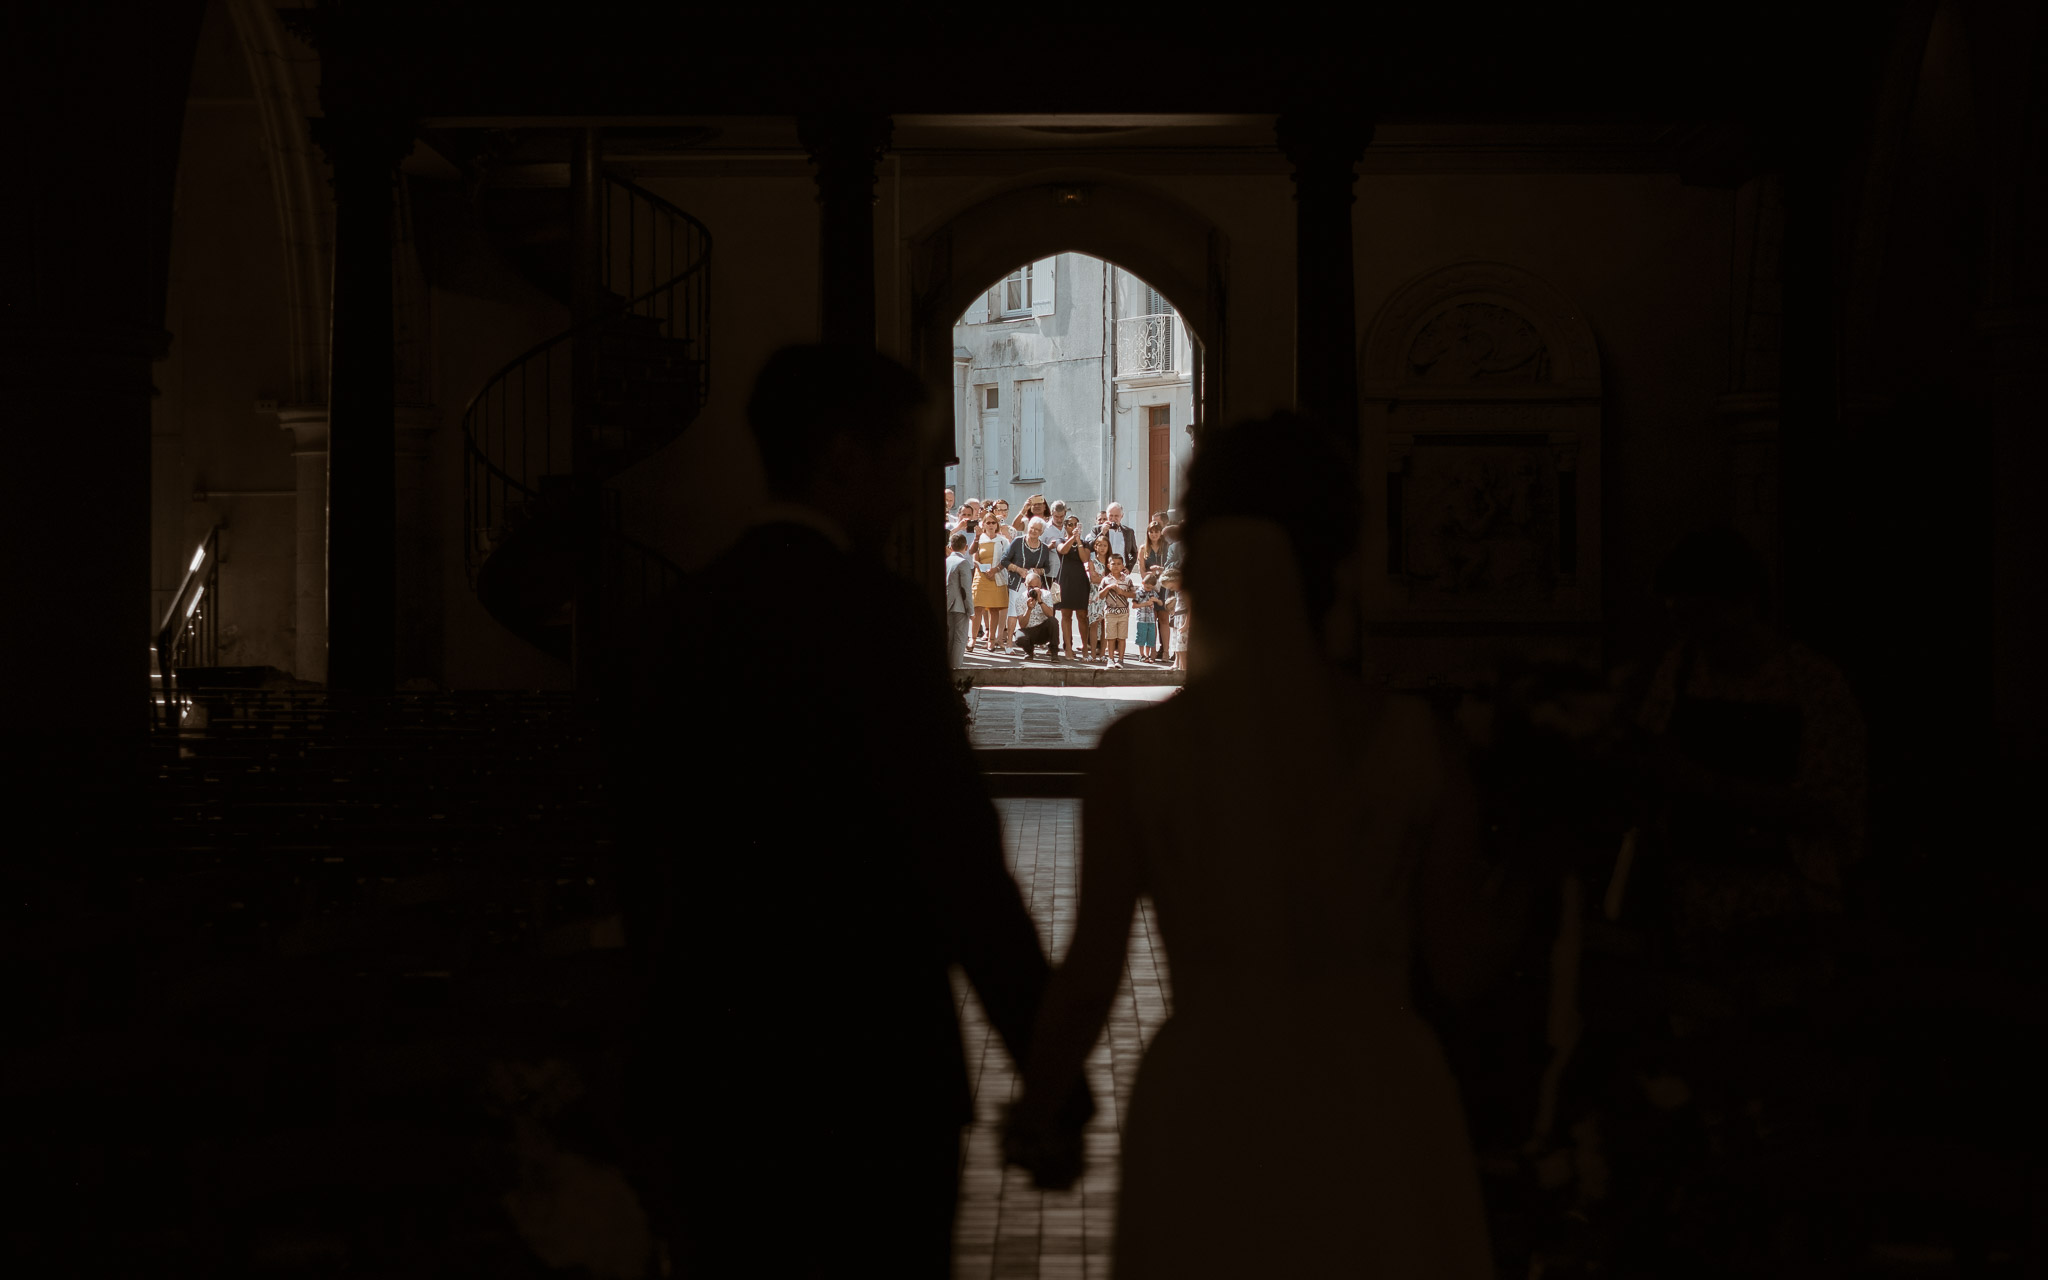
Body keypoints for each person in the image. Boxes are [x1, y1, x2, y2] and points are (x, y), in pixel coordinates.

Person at [603, 344, 1088, 1278]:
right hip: (874, 1074)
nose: (915, 491)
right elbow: (957, 861)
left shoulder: (671, 625)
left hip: (711, 1074)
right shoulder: (879, 619)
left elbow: (641, 863)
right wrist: (1048, 1071)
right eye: (905, 461)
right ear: (842, 458)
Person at [1001, 413, 1500, 1279]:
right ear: (1337, 558)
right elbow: (1461, 967)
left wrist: (1041, 1106)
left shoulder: (1137, 757)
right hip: (1379, 1091)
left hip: (1210, 1092)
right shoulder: (1419, 742)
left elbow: (1090, 975)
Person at [1628, 527, 1867, 1022]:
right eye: (1679, 618)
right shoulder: (1680, 669)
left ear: (1747, 601)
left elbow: (1829, 806)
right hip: (1690, 904)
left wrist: (1702, 783)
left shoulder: (1814, 685)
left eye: (1703, 617)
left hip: (1786, 908)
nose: (1692, 633)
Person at [1000, 517, 1060, 654]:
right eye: (1032, 528)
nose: (1034, 531)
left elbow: (1047, 568)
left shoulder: (1044, 548)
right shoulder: (1018, 542)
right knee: (1014, 612)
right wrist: (1018, 569)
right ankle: (1009, 642)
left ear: (1042, 532)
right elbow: (1004, 560)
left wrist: (1037, 571)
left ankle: (1036, 639)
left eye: (1038, 530)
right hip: (1017, 583)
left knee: (1036, 610)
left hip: (1034, 585)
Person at [1053, 512, 1091, 662]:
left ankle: (1085, 648)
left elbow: (1084, 558)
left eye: (1076, 524)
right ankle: (1068, 647)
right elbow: (1063, 550)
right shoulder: (1060, 540)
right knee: (1066, 616)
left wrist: (1078, 540)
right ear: (1065, 527)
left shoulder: (1085, 543)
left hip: (1081, 581)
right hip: (1065, 580)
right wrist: (1071, 538)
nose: (1073, 527)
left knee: (1082, 616)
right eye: (1070, 524)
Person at [972, 511, 1011, 652]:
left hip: (996, 576)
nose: (990, 525)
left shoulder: (1002, 540)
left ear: (997, 525)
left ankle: (992, 640)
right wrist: (980, 567)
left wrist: (995, 570)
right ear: (983, 524)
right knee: (978, 608)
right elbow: (974, 556)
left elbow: (1006, 559)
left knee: (994, 609)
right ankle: (973, 638)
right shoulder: (979, 539)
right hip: (981, 576)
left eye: (993, 522)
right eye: (987, 522)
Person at [1098, 553, 1136, 668]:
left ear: (1123, 566)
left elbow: (1134, 594)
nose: (1116, 566)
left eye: (1119, 564)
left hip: (1123, 612)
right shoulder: (1105, 580)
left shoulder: (1127, 580)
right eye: (1113, 564)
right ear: (1109, 565)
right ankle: (1110, 659)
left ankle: (1120, 659)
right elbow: (1100, 595)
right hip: (1110, 612)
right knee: (1110, 637)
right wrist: (1108, 588)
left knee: (1121, 637)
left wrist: (1122, 592)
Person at [944, 531, 975, 667]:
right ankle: (955, 669)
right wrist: (971, 610)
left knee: (950, 638)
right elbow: (966, 589)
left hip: (947, 603)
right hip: (960, 606)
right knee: (960, 639)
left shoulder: (946, 561)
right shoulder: (963, 563)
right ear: (966, 547)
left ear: (951, 546)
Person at [1015, 569, 1059, 660]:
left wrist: (1040, 601)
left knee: (1053, 621)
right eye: (1030, 587)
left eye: (1036, 587)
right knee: (1019, 637)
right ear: (1025, 585)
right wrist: (1029, 609)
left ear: (1040, 585)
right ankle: (1029, 652)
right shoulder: (1020, 599)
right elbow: (1022, 624)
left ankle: (1054, 652)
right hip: (1029, 630)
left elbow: (1051, 615)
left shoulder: (1046, 594)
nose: (1033, 590)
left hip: (1043, 631)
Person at [1084, 532, 1114, 662]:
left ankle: (1103, 654)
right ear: (1095, 547)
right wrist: (1105, 579)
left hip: (1107, 596)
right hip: (1094, 595)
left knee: (1105, 624)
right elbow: (1093, 579)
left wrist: (1102, 579)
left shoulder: (1111, 563)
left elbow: (1113, 579)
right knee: (1094, 623)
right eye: (1099, 545)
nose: (1102, 548)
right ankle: (1093, 654)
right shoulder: (1092, 562)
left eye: (1105, 545)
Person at [1132, 568, 1161, 662]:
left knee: (1150, 638)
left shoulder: (1153, 592)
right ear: (1143, 583)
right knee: (1141, 637)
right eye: (1147, 587)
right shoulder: (1138, 592)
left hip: (1151, 619)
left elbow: (1161, 603)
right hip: (1142, 619)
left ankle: (1147, 655)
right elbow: (1134, 605)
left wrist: (1156, 600)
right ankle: (1142, 654)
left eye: (1150, 588)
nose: (1148, 589)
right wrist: (1145, 604)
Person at [1162, 567, 1188, 671]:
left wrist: (1186, 624)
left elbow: (1189, 608)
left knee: (1183, 649)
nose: (1172, 590)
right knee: (1179, 648)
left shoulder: (1185, 592)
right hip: (1178, 619)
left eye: (1172, 587)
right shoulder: (1178, 592)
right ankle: (1181, 671)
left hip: (1183, 620)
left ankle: (1184, 672)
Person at [1100, 501, 1140, 569]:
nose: (1113, 519)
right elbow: (1091, 547)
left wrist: (1129, 568)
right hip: (1103, 569)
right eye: (1111, 516)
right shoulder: (1098, 530)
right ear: (1107, 515)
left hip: (1121, 571)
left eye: (1116, 516)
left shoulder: (1129, 532)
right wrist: (1102, 533)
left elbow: (1134, 552)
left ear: (1122, 516)